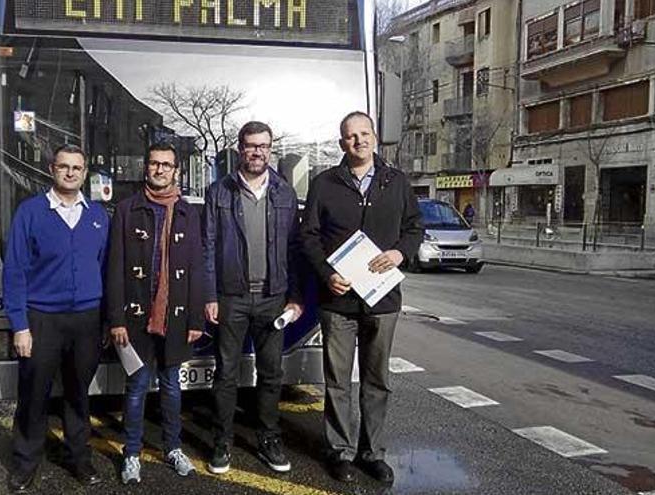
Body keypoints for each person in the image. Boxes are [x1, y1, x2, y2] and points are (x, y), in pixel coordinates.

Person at [300, 111, 422, 484]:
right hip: (337, 301)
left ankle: (372, 453)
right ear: (342, 143)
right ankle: (339, 451)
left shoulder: (396, 182)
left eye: (364, 134)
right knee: (337, 381)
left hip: (382, 301)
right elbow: (308, 237)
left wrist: (401, 253)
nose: (359, 141)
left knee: (376, 379)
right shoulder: (324, 183)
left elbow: (415, 227)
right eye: (351, 136)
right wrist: (327, 274)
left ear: (374, 138)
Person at [2, 144, 109, 493]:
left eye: (77, 168)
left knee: (78, 394)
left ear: (85, 172)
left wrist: (106, 321)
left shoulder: (97, 215)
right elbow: (15, 271)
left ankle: (79, 458)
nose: (70, 173)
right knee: (34, 395)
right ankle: (24, 464)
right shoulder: (30, 212)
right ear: (52, 169)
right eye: (64, 167)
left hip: (86, 321)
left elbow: (105, 268)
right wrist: (20, 325)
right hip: (42, 319)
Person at [203, 121, 303, 475]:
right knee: (226, 373)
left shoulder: (284, 192)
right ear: (240, 149)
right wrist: (210, 294)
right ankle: (222, 441)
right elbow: (208, 245)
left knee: (272, 374)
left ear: (270, 149)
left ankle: (268, 438)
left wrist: (295, 297)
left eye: (263, 146)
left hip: (273, 299)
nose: (257, 151)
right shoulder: (219, 191)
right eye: (250, 145)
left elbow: (294, 249)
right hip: (231, 297)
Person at [106, 142, 203, 484]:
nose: (160, 169)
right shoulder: (127, 209)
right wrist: (115, 319)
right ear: (145, 167)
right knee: (135, 387)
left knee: (172, 385)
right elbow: (114, 267)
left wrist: (195, 319)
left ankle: (172, 448)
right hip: (135, 317)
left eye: (166, 164)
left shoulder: (190, 212)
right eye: (154, 163)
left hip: (175, 316)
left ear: (176, 170)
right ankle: (131, 453)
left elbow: (195, 268)